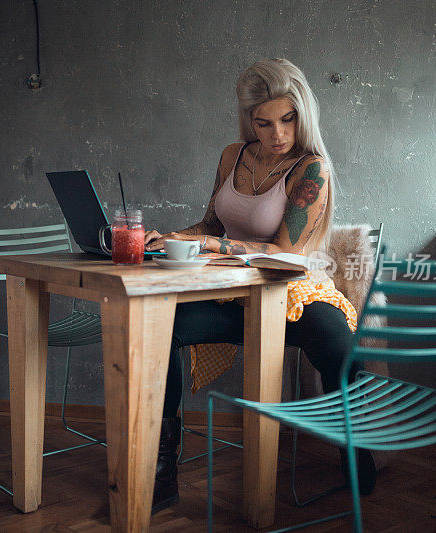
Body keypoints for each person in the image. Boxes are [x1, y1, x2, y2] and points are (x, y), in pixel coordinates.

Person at [143, 58, 375, 514]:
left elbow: (285, 254)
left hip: (292, 292)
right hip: (232, 291)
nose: (278, 134)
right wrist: (171, 237)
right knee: (161, 325)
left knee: (340, 350)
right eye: (264, 122)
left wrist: (213, 242)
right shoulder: (233, 155)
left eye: (288, 119)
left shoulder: (312, 170)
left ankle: (358, 453)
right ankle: (162, 467)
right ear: (249, 120)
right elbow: (211, 223)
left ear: (302, 113)